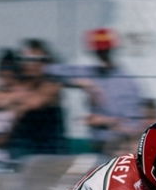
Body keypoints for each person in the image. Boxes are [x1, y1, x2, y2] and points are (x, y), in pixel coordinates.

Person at [52, 28, 144, 156]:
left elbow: (134, 125)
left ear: (113, 51)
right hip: (97, 145)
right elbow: (52, 71)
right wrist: (82, 84)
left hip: (119, 147)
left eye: (105, 51)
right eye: (99, 52)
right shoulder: (90, 73)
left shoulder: (126, 83)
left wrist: (106, 121)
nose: (102, 55)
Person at [8, 39, 67, 158]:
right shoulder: (18, 84)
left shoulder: (53, 85)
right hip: (22, 147)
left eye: (38, 60)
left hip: (49, 151)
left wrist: (15, 103)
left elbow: (35, 102)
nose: (33, 64)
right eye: (27, 60)